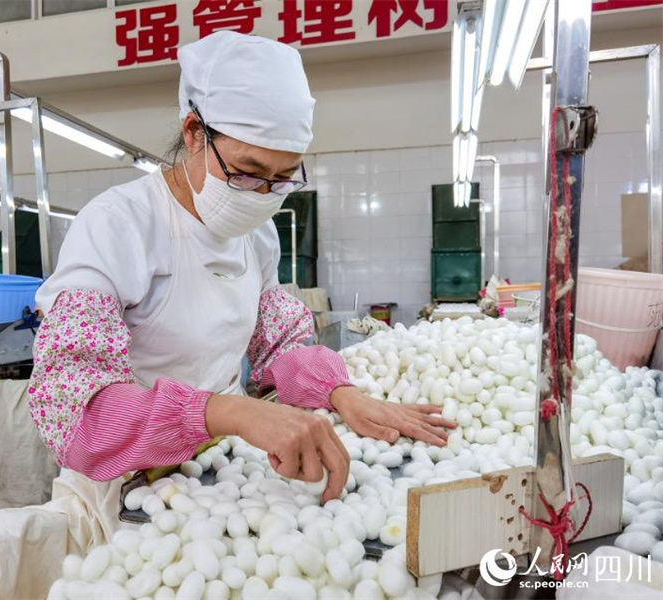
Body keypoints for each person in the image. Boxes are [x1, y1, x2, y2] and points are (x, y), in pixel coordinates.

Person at [29, 31, 456, 503]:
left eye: (282, 177)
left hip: (217, 462)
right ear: (194, 133)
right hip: (126, 479)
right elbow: (74, 408)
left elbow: (279, 344)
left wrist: (340, 393)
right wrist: (231, 412)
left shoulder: (258, 234)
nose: (261, 194)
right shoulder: (119, 223)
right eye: (247, 172)